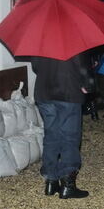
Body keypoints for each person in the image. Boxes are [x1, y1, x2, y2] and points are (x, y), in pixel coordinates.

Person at [31, 51, 94, 199]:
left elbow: (36, 67)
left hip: (44, 91)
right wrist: (87, 84)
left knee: (51, 135)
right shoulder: (74, 38)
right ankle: (67, 184)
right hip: (68, 91)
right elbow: (82, 63)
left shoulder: (40, 41)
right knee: (69, 136)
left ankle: (51, 182)